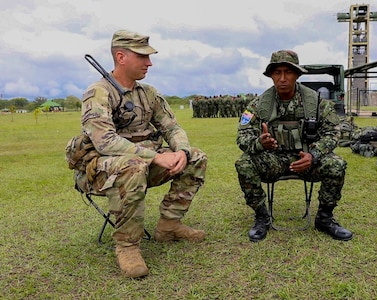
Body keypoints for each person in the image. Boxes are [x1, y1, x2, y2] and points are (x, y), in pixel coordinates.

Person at [73, 30, 207, 278]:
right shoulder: (99, 93)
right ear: (121, 57)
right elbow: (105, 142)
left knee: (196, 157)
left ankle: (169, 225)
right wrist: (155, 157)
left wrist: (182, 151)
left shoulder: (149, 94)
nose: (149, 63)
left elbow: (172, 127)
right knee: (133, 165)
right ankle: (127, 245)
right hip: (102, 173)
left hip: (140, 167)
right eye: (142, 56)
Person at [235, 50, 352, 242]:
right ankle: (262, 217)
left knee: (336, 164)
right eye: (277, 72)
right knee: (244, 164)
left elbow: (333, 132)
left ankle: (324, 218)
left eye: (288, 72)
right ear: (271, 75)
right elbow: (242, 135)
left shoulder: (315, 102)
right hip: (273, 161)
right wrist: (260, 143)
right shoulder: (259, 104)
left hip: (307, 160)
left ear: (297, 74)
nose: (282, 78)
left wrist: (313, 155)